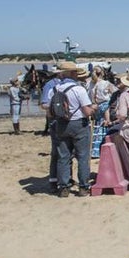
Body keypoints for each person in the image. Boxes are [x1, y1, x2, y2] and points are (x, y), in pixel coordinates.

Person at [52, 61, 95, 197]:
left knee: (63, 157)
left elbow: (48, 108)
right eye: (75, 72)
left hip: (61, 123)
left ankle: (64, 187)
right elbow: (87, 111)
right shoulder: (79, 89)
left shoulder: (56, 88)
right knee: (82, 156)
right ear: (72, 73)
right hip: (78, 123)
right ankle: (83, 187)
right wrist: (94, 109)